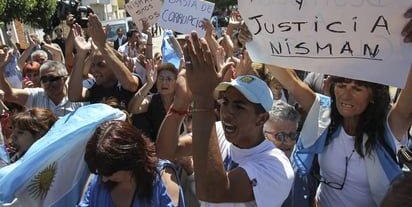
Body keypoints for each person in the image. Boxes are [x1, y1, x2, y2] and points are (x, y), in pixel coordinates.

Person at [239, 8, 412, 206]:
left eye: (357, 89)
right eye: (341, 86)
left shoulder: (387, 127)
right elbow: (293, 82)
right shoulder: (323, 113)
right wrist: (256, 40)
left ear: (373, 95)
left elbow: (407, 106)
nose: (346, 95)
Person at [156, 32, 294, 206]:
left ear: (261, 118)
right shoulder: (219, 130)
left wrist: (203, 98)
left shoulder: (275, 167)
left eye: (239, 106)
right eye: (225, 102)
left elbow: (212, 192)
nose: (227, 111)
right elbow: (166, 152)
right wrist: (180, 105)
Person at [78, 119, 184, 207]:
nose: (104, 179)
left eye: (110, 173)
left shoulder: (163, 178)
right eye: (101, 173)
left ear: (129, 162)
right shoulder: (99, 178)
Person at [68, 14, 141, 110]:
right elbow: (73, 96)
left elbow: (131, 85)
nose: (94, 70)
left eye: (101, 65)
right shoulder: (94, 86)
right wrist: (81, 55)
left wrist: (103, 45)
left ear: (114, 65)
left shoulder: (130, 78)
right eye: (93, 65)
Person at [264, 100, 317, 207]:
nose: (288, 142)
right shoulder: (249, 169)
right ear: (263, 134)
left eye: (292, 135)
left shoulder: (302, 167)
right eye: (280, 136)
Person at [0, 59, 86, 117]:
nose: (48, 83)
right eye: (44, 80)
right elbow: (9, 95)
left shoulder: (78, 96)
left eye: (52, 78)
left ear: (64, 79)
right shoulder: (37, 95)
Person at [128, 62, 179, 141]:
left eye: (169, 79)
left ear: (176, 82)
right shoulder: (151, 99)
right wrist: (149, 84)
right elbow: (133, 109)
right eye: (161, 78)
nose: (164, 83)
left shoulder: (181, 100)